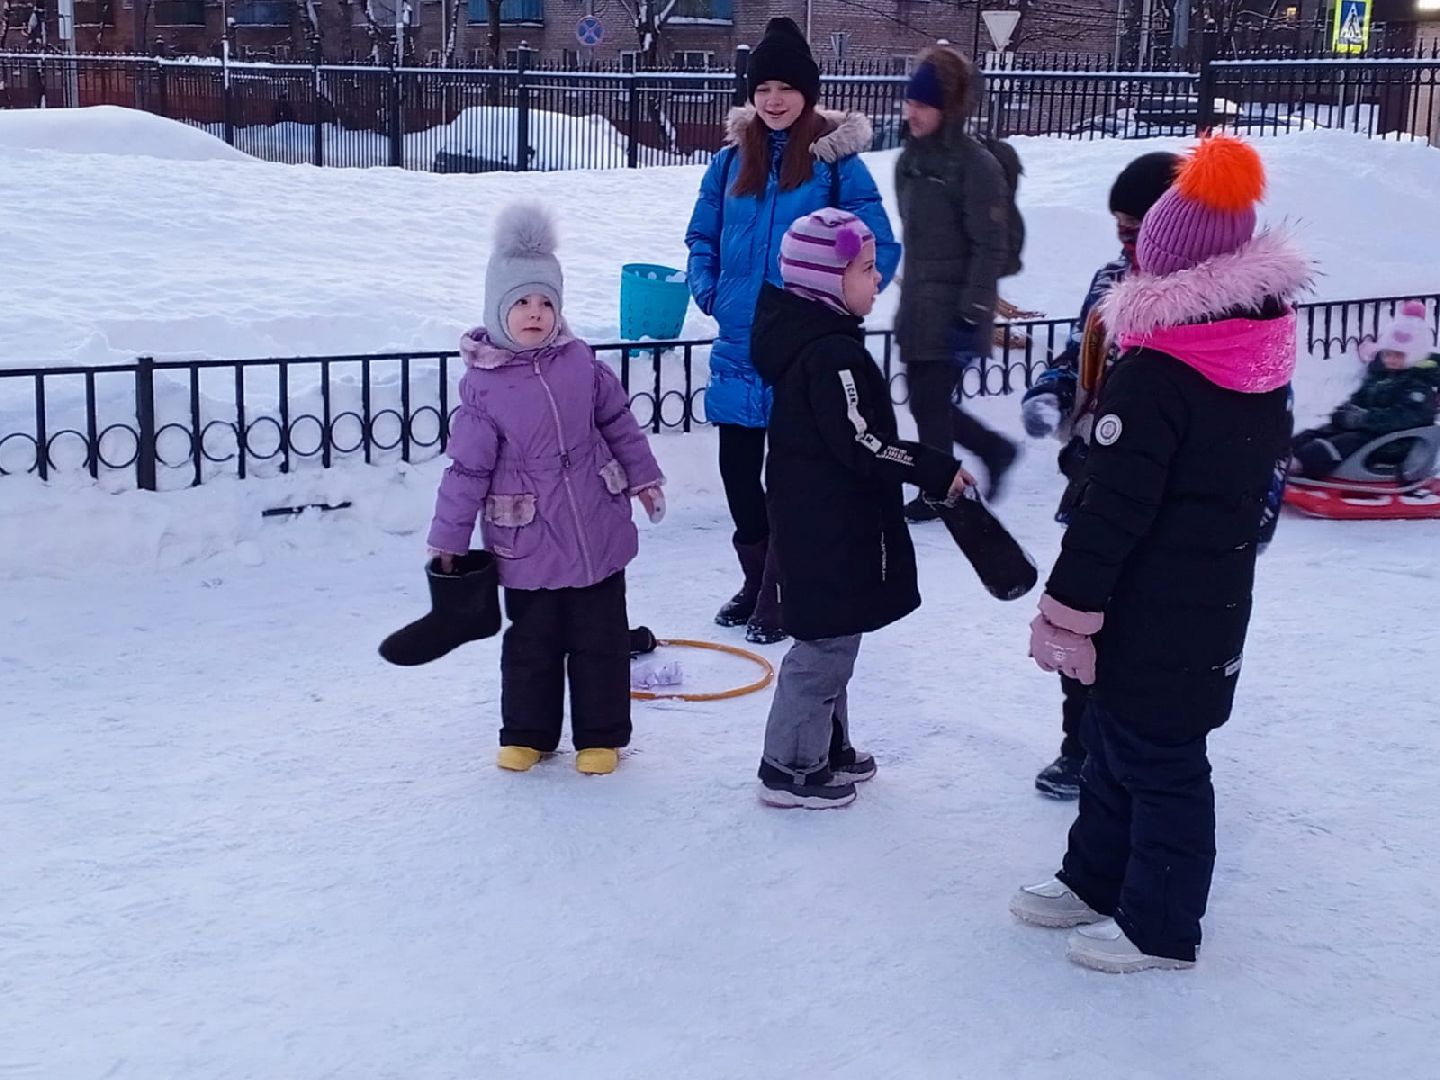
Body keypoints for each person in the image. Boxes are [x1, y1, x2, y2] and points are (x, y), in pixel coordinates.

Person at [1009, 136, 1311, 972]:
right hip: (1201, 601)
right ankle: (1095, 877)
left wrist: (1063, 609)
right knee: (1116, 739)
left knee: (1163, 760)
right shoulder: (1249, 357)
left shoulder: (1162, 374)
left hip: (1153, 600)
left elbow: (1113, 512)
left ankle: (1161, 925)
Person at [426, 202, 666, 777]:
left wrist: (644, 478)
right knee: (532, 645)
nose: (535, 314)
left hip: (597, 532)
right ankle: (529, 734)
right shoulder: (484, 388)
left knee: (600, 642)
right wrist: (449, 539)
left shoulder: (581, 362)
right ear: (498, 309)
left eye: (545, 303)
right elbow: (465, 471)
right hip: (527, 540)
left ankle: (600, 737)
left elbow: (619, 424)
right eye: (522, 304)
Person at [685, 16, 900, 646]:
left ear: (808, 93)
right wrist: (710, 290)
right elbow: (702, 237)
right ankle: (756, 580)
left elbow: (877, 246)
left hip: (802, 352)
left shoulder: (836, 165)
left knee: (792, 481)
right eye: (763, 88)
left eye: (786, 87)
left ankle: (780, 591)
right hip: (738, 342)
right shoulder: (729, 164)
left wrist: (836, 306)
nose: (774, 99)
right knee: (738, 475)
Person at [749, 209, 973, 808]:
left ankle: (824, 749)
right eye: (867, 268)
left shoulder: (825, 343)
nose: (879, 280)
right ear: (827, 280)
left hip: (825, 518)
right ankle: (790, 768)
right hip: (824, 525)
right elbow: (860, 442)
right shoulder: (831, 356)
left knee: (835, 637)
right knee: (823, 646)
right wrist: (931, 466)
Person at [1018, 151, 1180, 800]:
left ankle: (1135, 754)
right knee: (1079, 615)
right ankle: (1079, 748)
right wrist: (1052, 391)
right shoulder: (1112, 279)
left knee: (1148, 635)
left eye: (1139, 230)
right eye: (1120, 230)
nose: (1128, 244)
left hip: (1168, 498)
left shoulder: (1205, 300)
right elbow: (1078, 353)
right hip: (1096, 479)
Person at [894, 45, 1020, 514]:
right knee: (926, 401)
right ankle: (992, 451)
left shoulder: (974, 165)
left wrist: (972, 312)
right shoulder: (911, 159)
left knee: (929, 401)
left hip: (955, 308)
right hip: (920, 304)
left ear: (948, 109)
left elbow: (992, 245)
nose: (913, 113)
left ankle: (938, 488)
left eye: (924, 104)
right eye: (910, 102)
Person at [1291, 300, 1440, 479]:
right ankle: (1285, 456)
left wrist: (1363, 419)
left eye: (1399, 356)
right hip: (1369, 431)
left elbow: (1402, 418)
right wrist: (1344, 413)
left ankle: (1303, 466)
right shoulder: (1381, 378)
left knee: (1343, 443)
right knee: (1317, 433)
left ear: (1415, 356)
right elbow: (1359, 398)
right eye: (1387, 354)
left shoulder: (1418, 387)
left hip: (1394, 443)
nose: (1391, 360)